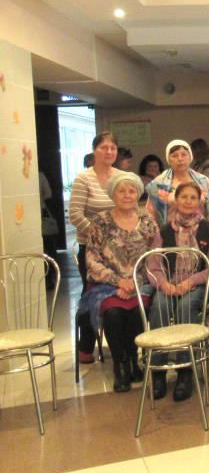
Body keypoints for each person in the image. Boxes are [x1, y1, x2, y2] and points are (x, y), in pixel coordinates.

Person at [80, 172, 158, 392]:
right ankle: (120, 365)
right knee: (113, 313)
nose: (126, 195)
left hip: (139, 282)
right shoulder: (101, 221)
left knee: (137, 311)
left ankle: (133, 359)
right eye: (121, 191)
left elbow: (155, 259)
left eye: (131, 191)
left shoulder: (148, 223)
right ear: (112, 194)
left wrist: (134, 282)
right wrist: (118, 281)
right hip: (106, 284)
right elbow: (91, 259)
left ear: (138, 194)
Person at [146, 181, 209, 402]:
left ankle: (185, 370)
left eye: (193, 197)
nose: (188, 201)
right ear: (176, 201)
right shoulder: (164, 231)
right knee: (159, 305)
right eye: (183, 197)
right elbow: (154, 264)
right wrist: (164, 284)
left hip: (198, 284)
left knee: (186, 306)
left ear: (200, 202)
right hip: (168, 284)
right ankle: (158, 370)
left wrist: (191, 282)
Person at [69, 131, 121, 363]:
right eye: (103, 147)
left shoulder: (121, 177)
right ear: (94, 150)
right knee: (91, 292)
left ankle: (121, 343)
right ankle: (86, 345)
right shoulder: (84, 179)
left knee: (118, 292)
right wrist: (99, 235)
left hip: (118, 248)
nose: (108, 152)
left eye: (112, 148)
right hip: (91, 248)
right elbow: (75, 214)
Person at [144, 139, 209, 226]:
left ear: (190, 157)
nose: (180, 159)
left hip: (202, 232)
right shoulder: (157, 185)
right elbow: (151, 215)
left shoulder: (206, 182)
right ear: (168, 159)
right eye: (174, 156)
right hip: (170, 232)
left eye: (184, 155)